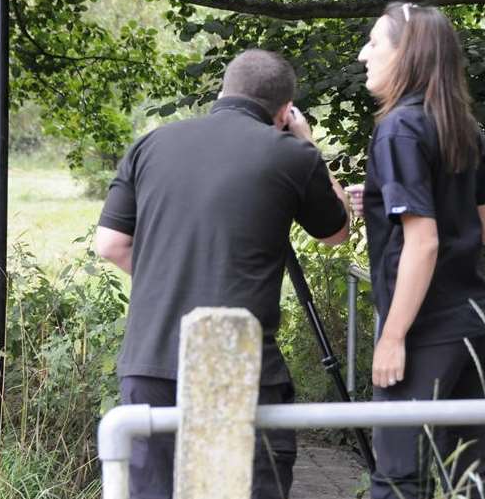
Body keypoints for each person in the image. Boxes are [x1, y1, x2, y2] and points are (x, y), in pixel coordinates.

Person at [94, 49, 350, 499]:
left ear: (222, 90)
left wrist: (168, 278)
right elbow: (336, 232)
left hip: (151, 358)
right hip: (242, 365)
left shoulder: (151, 143)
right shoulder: (292, 154)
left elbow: (110, 245)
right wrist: (307, 142)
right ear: (285, 111)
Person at [346, 3, 485, 499]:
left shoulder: (399, 128)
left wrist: (393, 337)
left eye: (375, 42)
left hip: (423, 331)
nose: (363, 54)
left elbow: (425, 240)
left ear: (407, 53)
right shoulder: (465, 127)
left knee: (399, 476)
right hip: (472, 324)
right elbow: (483, 227)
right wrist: (379, 197)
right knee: (474, 476)